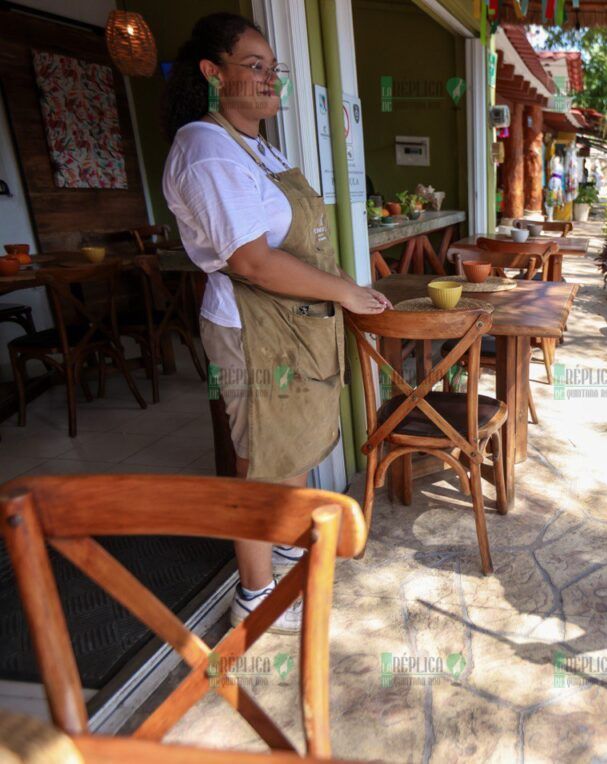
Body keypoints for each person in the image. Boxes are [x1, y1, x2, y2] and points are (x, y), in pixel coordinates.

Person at [161, 13, 391, 633]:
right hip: (255, 327)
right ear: (213, 73)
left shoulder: (258, 146)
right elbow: (253, 261)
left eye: (274, 69)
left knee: (290, 444)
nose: (270, 80)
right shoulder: (205, 149)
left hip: (295, 324)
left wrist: (346, 287)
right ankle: (256, 595)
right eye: (255, 65)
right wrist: (346, 292)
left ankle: (287, 546)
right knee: (258, 459)